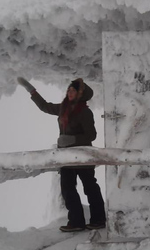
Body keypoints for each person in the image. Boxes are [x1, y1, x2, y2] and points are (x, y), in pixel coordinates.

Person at [17, 77, 106, 232]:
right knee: (67, 188)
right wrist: (31, 90)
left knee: (90, 187)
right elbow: (45, 106)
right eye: (69, 90)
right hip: (65, 157)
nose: (70, 92)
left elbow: (91, 135)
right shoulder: (63, 109)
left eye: (73, 90)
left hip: (83, 156)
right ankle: (76, 222)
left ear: (80, 94)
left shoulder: (85, 112)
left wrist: (72, 139)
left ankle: (98, 219)